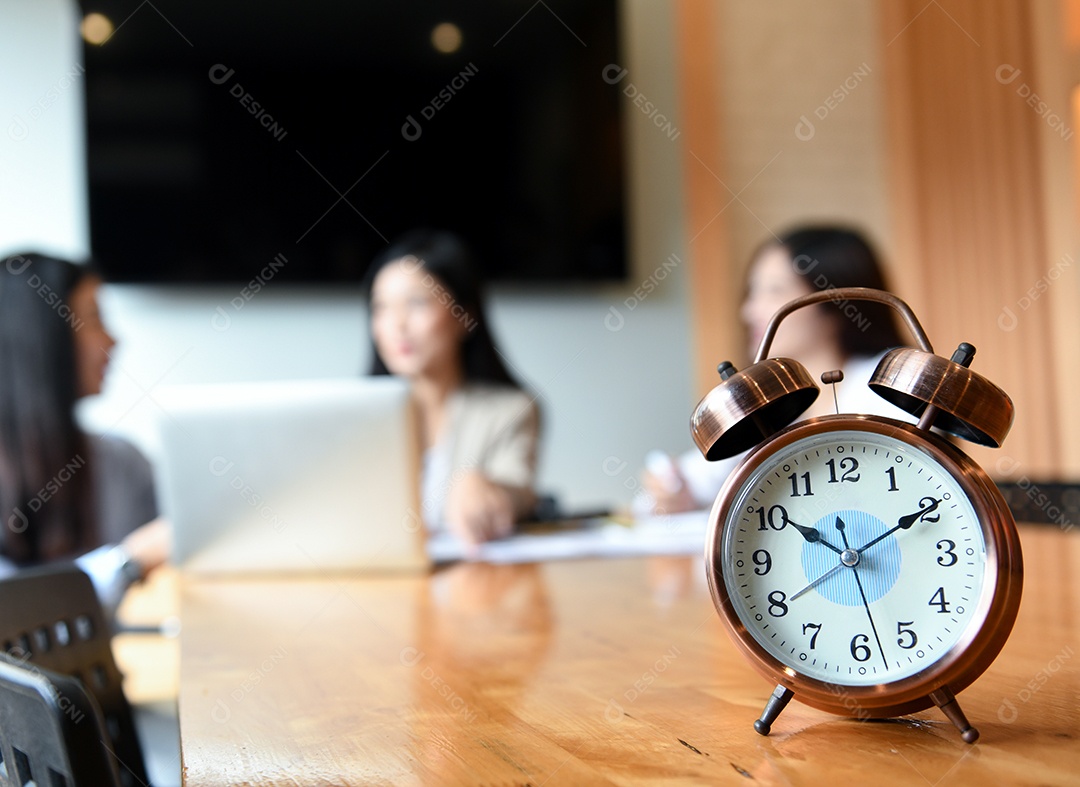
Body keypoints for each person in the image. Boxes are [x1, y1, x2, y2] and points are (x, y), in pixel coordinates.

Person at [643, 225, 912, 514]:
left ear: (834, 301)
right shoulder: (771, 399)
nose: (749, 311)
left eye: (774, 290)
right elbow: (679, 487)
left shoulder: (889, 389)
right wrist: (674, 491)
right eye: (753, 291)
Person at [0, 252, 168, 610]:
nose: (112, 340)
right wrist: (127, 563)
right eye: (94, 319)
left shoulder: (122, 462)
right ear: (42, 335)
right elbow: (16, 613)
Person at [364, 230, 540, 546]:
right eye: (381, 307)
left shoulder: (510, 410)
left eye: (416, 303)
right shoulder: (357, 418)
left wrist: (491, 491)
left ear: (464, 315)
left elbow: (518, 488)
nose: (397, 324)